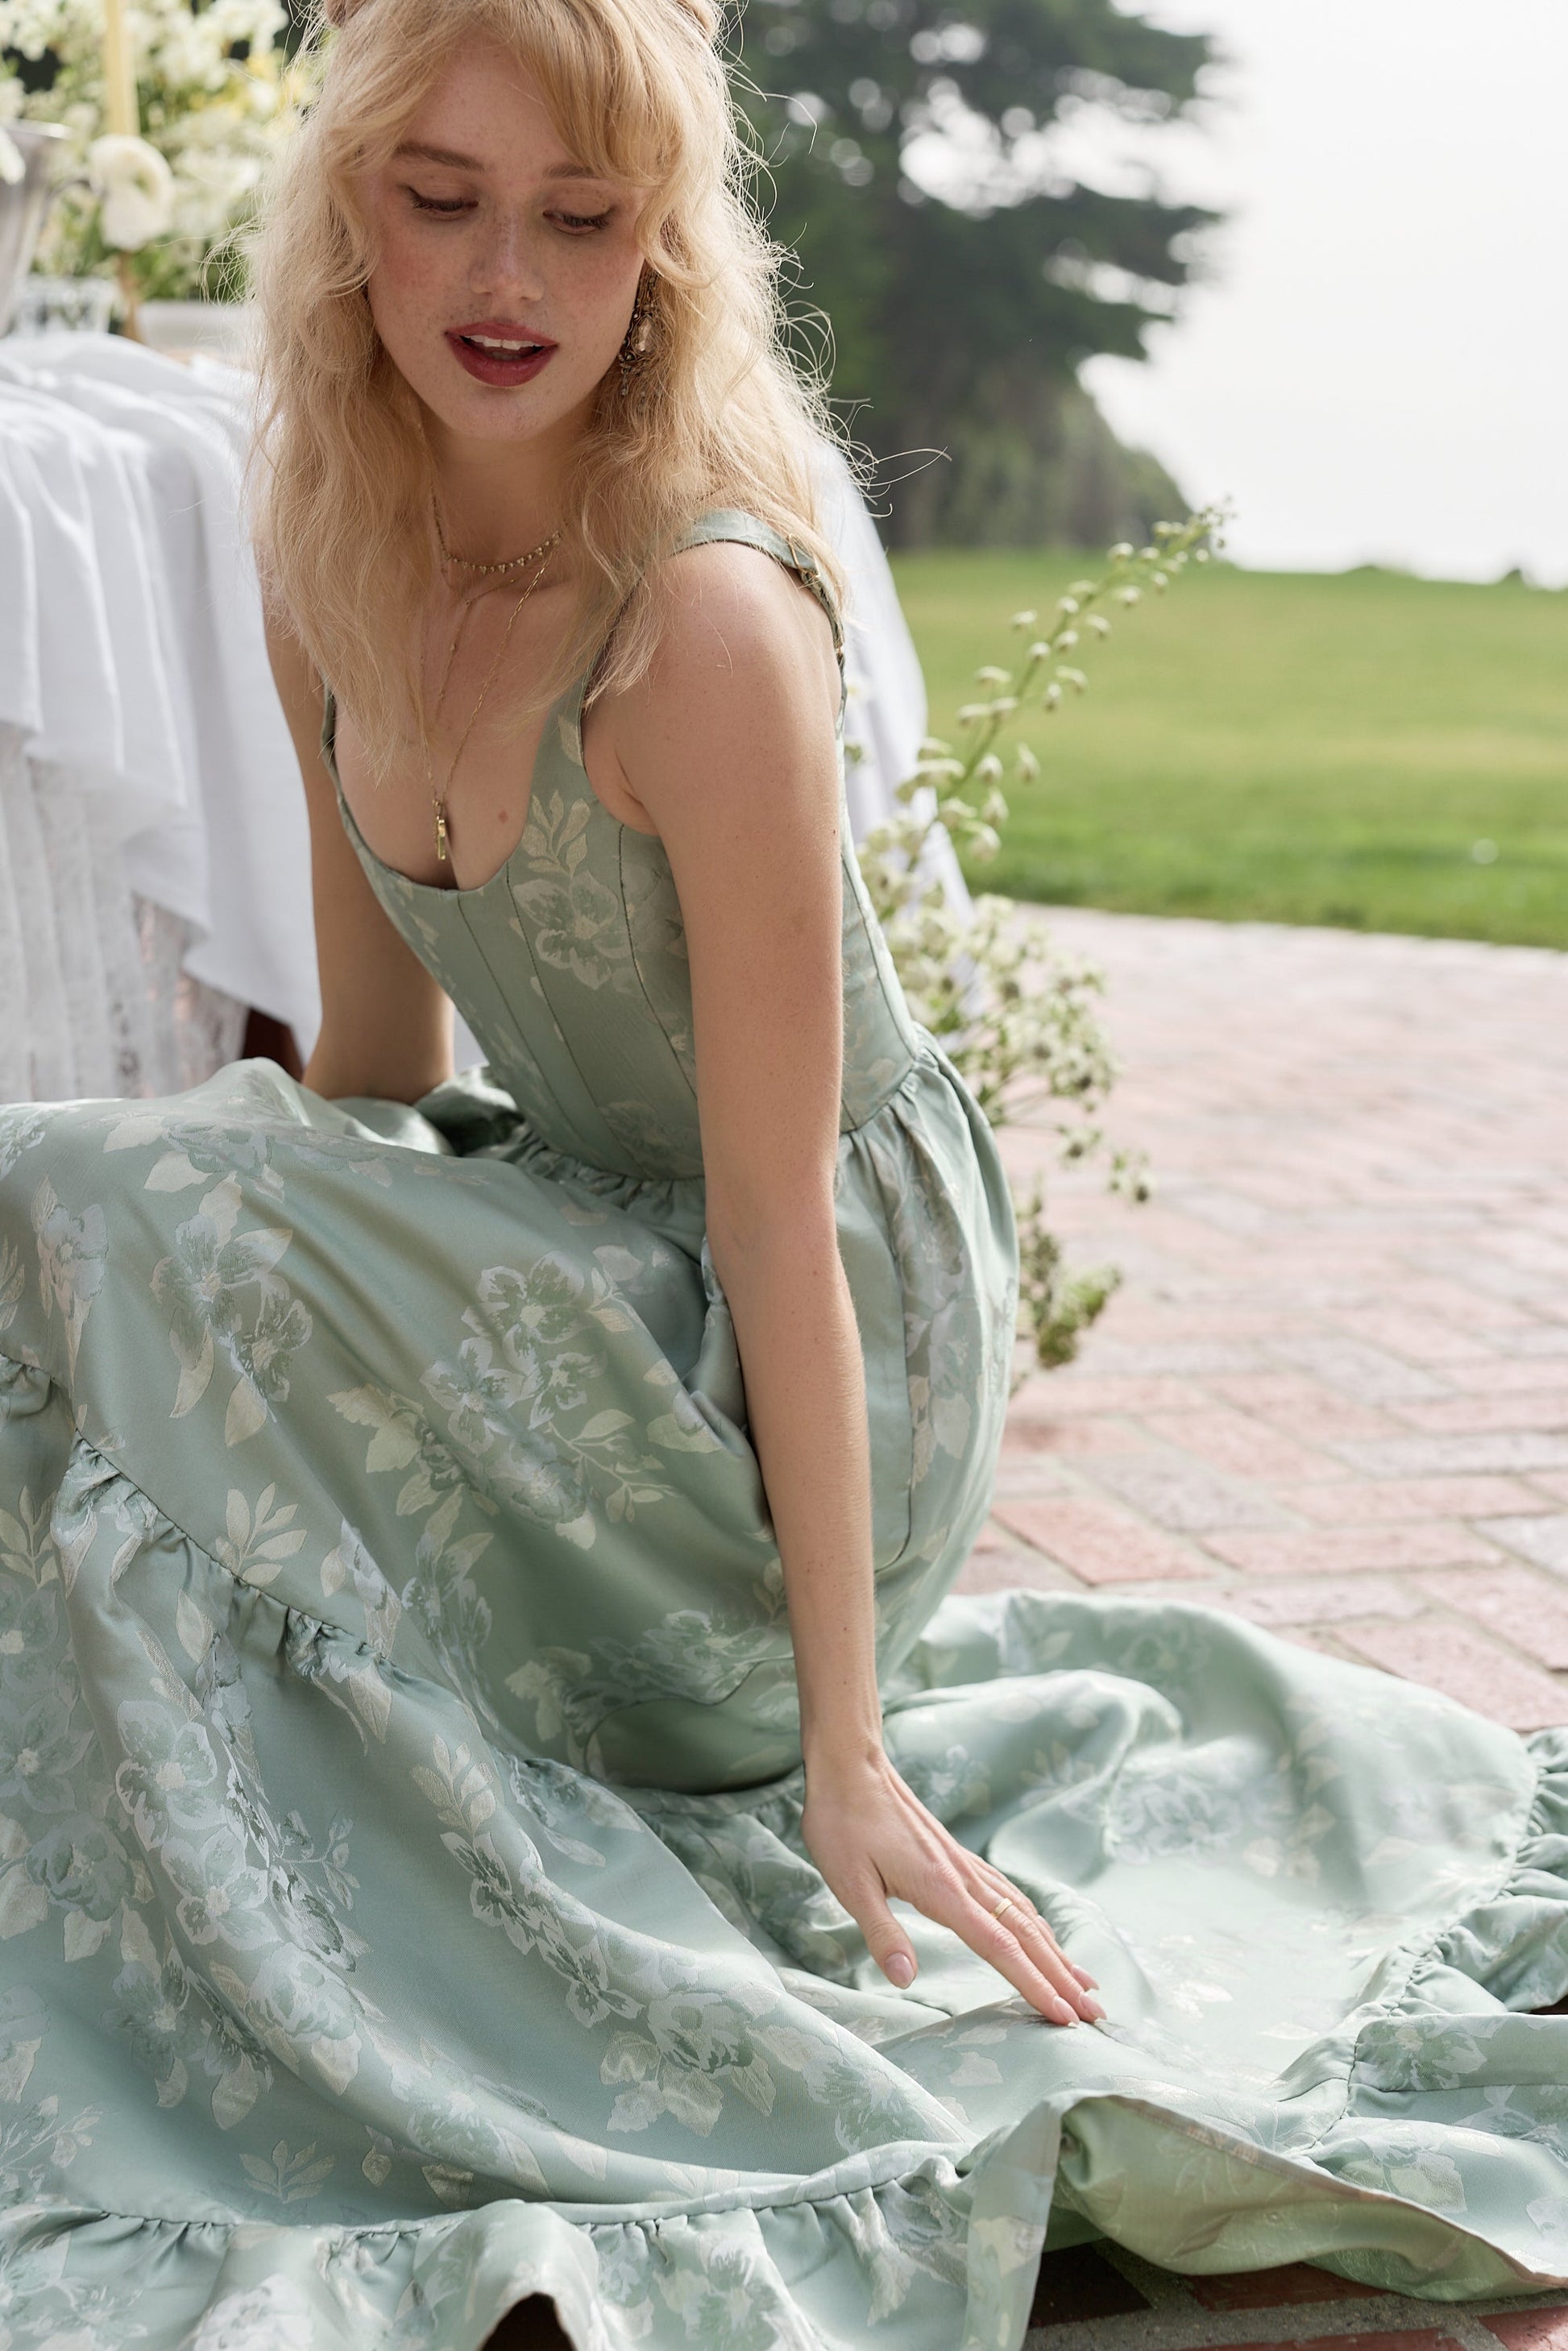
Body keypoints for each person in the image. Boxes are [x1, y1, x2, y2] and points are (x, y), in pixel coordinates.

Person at [1, 2, 1566, 2345]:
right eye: (442, 200)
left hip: (811, 1340)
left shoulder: (701, 624)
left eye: (579, 218)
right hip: (579, 1240)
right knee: (103, 1248)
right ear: (344, 216)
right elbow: (372, 1071)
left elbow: (777, 1229)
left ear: (663, 250)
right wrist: (237, 1360)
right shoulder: (330, 548)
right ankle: (187, 1920)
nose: (505, 277)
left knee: (74, 1197)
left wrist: (847, 1748)